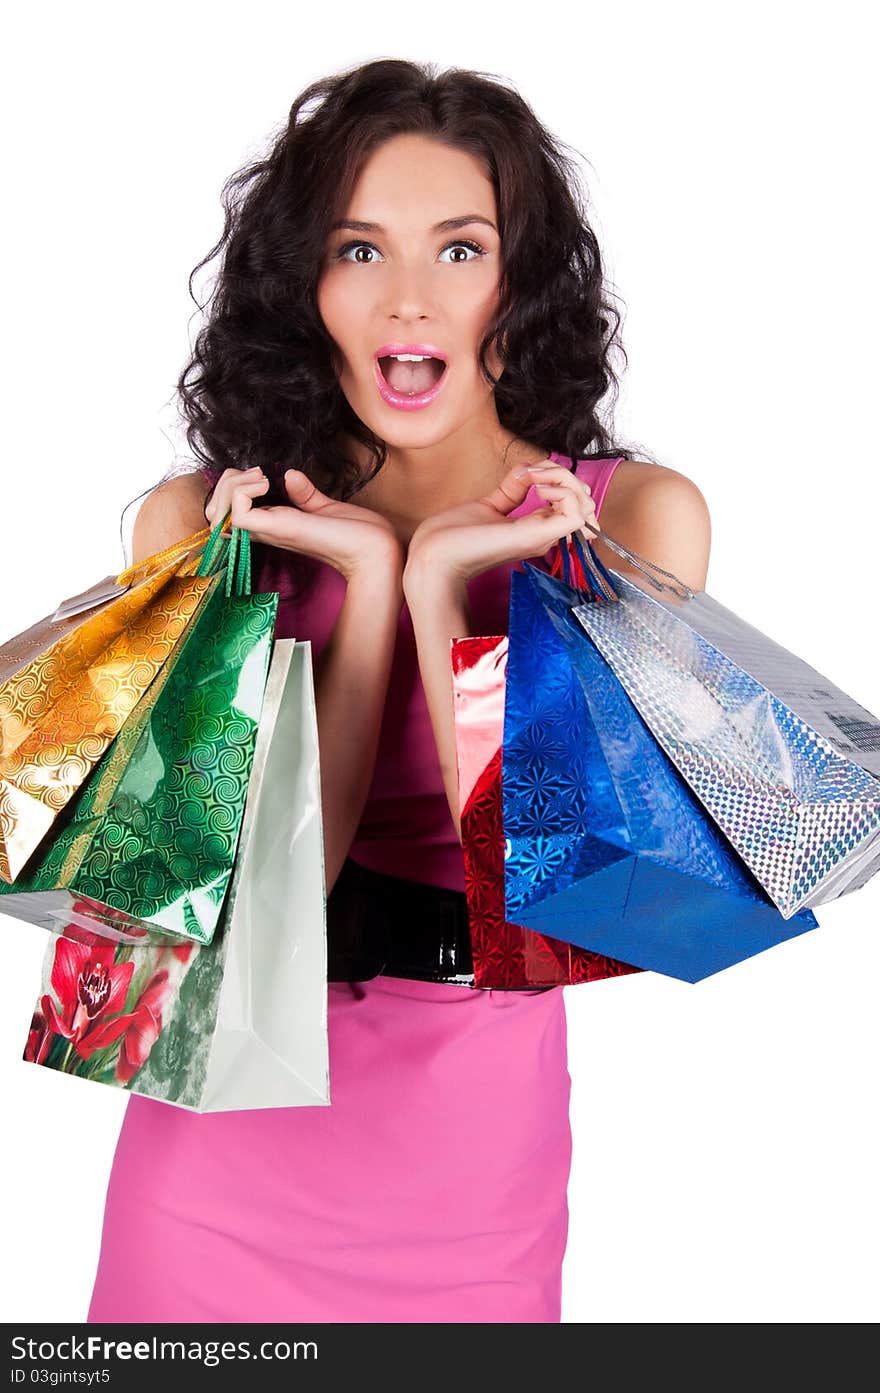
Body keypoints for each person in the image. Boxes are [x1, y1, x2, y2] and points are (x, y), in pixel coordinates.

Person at [86, 57, 710, 1324]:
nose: (407, 301)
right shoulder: (199, 523)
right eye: (359, 251)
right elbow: (229, 916)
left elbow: (564, 902)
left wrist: (445, 591)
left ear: (519, 282)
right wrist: (368, 592)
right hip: (216, 1144)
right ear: (303, 283)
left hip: (474, 1150)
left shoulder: (632, 520)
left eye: (460, 250)